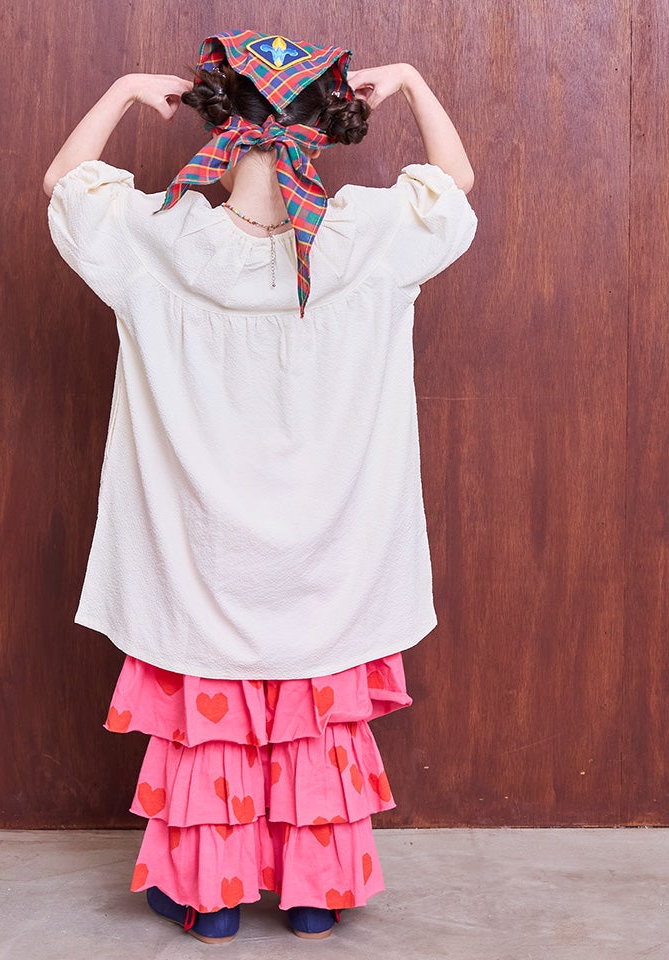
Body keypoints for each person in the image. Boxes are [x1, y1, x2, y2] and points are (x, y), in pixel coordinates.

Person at [44, 29, 476, 944]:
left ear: (219, 121)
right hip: (330, 555)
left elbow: (66, 185)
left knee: (214, 723)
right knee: (313, 710)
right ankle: (314, 894)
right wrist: (410, 79)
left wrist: (122, 91)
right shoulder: (366, 240)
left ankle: (211, 899)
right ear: (325, 124)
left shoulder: (160, 239)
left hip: (200, 555)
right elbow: (455, 184)